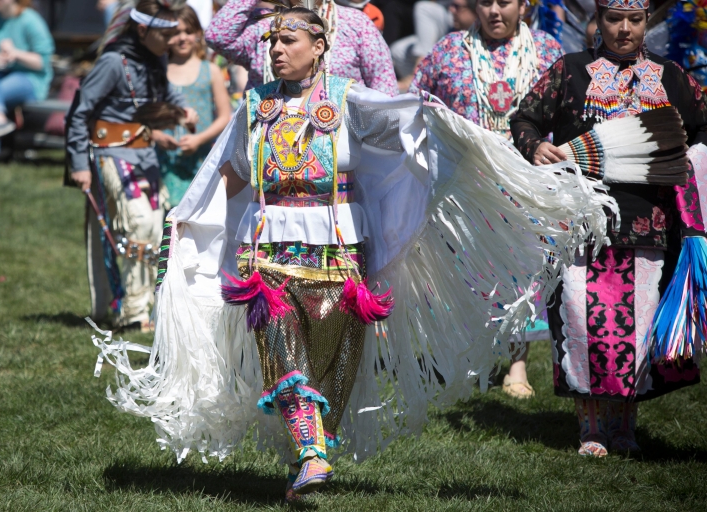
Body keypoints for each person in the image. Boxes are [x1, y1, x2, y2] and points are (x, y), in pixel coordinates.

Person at [91, 5, 610, 502]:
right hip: (267, 254)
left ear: (319, 47)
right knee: (283, 353)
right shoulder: (255, 107)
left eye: (287, 40)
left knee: (331, 370)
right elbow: (229, 171)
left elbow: (403, 126)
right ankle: (314, 452)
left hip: (340, 257)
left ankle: (305, 462)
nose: (275, 50)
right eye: (271, 41)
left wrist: (436, 121)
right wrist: (189, 216)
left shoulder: (349, 101)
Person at [511, 0, 707, 456]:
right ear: (598, 22)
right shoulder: (570, 70)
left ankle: (625, 429)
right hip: (580, 222)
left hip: (650, 225)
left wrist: (690, 163)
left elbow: (701, 128)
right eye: (614, 19)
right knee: (583, 322)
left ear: (645, 23)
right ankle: (591, 429)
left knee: (636, 329)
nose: (623, 29)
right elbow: (524, 118)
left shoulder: (672, 77)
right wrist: (536, 144)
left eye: (634, 20)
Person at [410, 0, 563, 398]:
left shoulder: (547, 50)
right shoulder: (449, 51)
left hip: (524, 178)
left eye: (505, 1)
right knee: (466, 273)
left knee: (522, 269)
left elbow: (564, 112)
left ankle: (516, 365)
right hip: (465, 183)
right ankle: (465, 359)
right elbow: (417, 103)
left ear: (524, 4)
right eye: (484, 2)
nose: (495, 11)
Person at [67, 0, 197, 330]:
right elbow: (80, 112)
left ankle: (149, 308)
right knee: (137, 225)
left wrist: (184, 111)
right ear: (142, 30)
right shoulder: (113, 62)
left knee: (156, 229)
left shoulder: (155, 60)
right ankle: (132, 312)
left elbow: (170, 94)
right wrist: (79, 164)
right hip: (113, 156)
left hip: (145, 156)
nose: (171, 41)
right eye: (165, 34)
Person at [204, 0, 399, 96]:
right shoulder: (262, 24)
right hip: (269, 143)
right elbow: (217, 36)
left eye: (288, 41)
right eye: (274, 42)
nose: (278, 47)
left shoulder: (355, 23)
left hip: (344, 149)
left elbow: (385, 90)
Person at [156, 6, 231, 208]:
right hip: (164, 161)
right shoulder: (158, 71)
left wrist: (199, 139)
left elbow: (225, 116)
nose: (182, 38)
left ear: (198, 34)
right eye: (175, 33)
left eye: (188, 32)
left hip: (200, 160)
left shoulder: (211, 70)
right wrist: (157, 135)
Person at [0, 0, 54, 167]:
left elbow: (42, 62)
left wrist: (15, 54)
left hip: (31, 78)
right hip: (1, 74)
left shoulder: (30, 19)